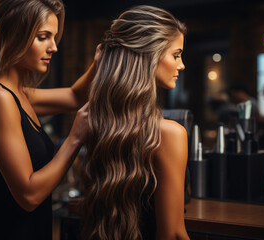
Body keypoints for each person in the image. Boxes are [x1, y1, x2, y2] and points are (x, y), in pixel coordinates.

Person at [0, 0, 98, 239]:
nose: (54, 47)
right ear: (14, 36)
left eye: (54, 37)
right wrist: (75, 138)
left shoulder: (19, 95)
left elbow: (75, 96)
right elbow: (29, 196)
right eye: (43, 37)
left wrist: (100, 60)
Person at [79, 5, 190, 240]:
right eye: (176, 55)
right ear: (150, 54)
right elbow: (173, 234)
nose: (181, 65)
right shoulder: (170, 133)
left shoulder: (102, 126)